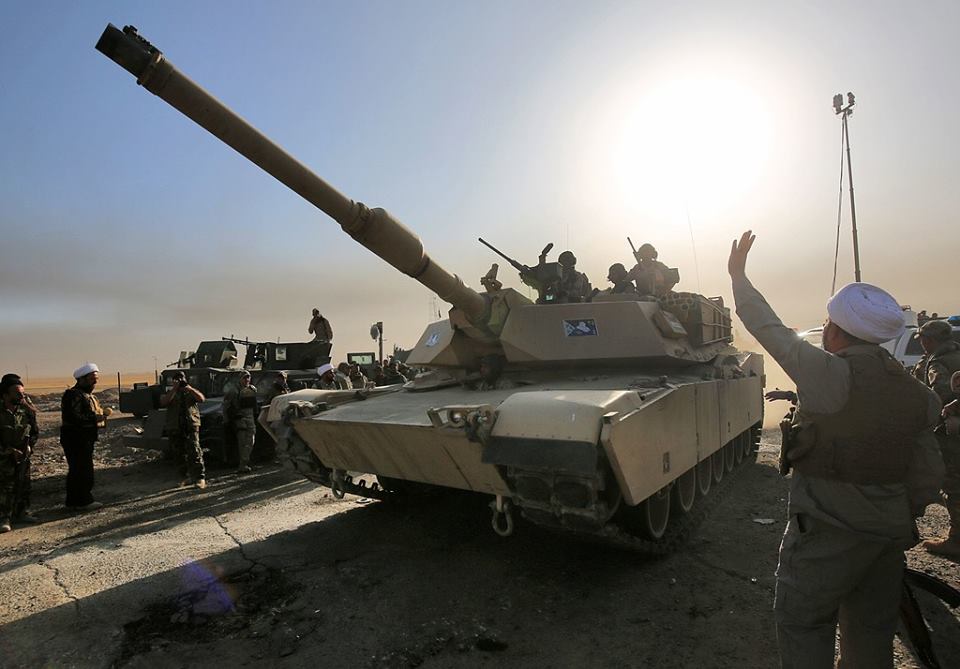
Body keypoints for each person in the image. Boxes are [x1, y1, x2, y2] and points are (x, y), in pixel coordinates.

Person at [728, 230, 944, 668]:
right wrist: (898, 514)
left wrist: (738, 277)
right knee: (871, 633)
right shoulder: (921, 396)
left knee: (804, 625)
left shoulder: (827, 375)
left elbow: (769, 329)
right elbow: (928, 474)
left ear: (834, 331)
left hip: (827, 534)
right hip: (885, 539)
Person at [914, 318, 960, 558]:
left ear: (929, 340)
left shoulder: (937, 363)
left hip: (950, 434)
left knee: (953, 485)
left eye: (923, 340)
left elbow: (938, 397)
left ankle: (957, 540)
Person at [61, 363, 111, 510]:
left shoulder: (86, 396)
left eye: (96, 379)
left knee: (79, 469)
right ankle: (83, 501)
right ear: (82, 379)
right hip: (76, 438)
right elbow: (73, 417)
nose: (94, 382)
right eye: (91, 379)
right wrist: (95, 418)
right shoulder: (74, 395)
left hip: (84, 438)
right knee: (81, 470)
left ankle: (74, 501)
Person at [0, 376, 39, 531]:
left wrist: (29, 446)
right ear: (5, 395)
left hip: (23, 454)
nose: (22, 396)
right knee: (5, 487)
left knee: (23, 483)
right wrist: (9, 451)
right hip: (3, 457)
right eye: (17, 393)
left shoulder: (26, 410)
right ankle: (4, 517)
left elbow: (34, 431)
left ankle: (21, 512)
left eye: (23, 393)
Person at [160, 371, 206, 489]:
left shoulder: (190, 391)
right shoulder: (170, 392)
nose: (180, 381)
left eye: (181, 378)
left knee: (195, 451)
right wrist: (174, 389)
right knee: (178, 453)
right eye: (177, 379)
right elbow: (164, 402)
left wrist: (190, 389)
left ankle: (200, 478)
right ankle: (184, 477)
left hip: (191, 425)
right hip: (175, 426)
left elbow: (201, 399)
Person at [223, 371, 258, 473]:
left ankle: (246, 462)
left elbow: (254, 405)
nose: (247, 380)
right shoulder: (234, 391)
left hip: (250, 417)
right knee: (242, 442)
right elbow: (226, 405)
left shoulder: (252, 389)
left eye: (248, 377)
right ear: (240, 379)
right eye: (244, 378)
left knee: (250, 441)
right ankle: (243, 464)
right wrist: (226, 419)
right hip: (240, 418)